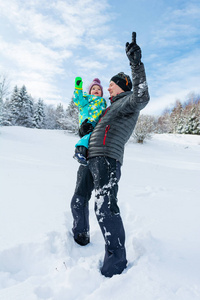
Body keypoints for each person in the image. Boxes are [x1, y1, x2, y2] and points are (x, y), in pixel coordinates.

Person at [70, 32, 150, 277]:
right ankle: (80, 238)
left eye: (112, 84)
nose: (108, 87)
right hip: (91, 158)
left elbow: (142, 95)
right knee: (78, 199)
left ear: (122, 85)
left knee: (105, 207)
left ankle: (115, 266)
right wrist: (86, 130)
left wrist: (136, 64)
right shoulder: (109, 108)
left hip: (107, 158)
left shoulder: (127, 101)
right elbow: (96, 127)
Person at [73, 77, 107, 165]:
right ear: (90, 91)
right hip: (88, 122)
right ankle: (79, 151)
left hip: (97, 124)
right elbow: (78, 100)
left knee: (93, 141)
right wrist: (78, 88)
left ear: (102, 93)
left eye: (99, 89)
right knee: (88, 136)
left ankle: (87, 156)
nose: (96, 90)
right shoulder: (87, 100)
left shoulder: (103, 103)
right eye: (93, 88)